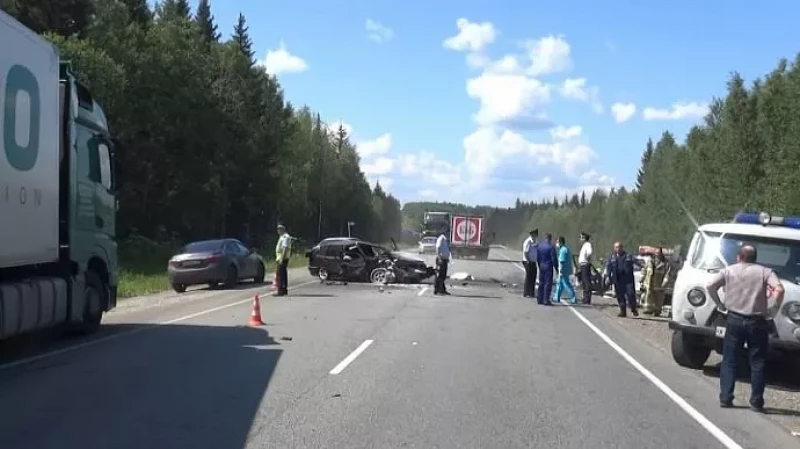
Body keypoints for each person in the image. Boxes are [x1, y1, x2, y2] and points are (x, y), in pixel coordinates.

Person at [706, 245, 784, 412]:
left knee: (729, 360)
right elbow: (779, 289)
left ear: (738, 257)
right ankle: (756, 401)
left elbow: (710, 285)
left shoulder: (729, 271)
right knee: (757, 361)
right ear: (755, 258)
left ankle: (726, 397)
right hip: (757, 321)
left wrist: (719, 304)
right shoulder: (765, 272)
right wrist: (773, 309)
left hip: (734, 319)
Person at [605, 241, 638, 317]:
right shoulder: (612, 257)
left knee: (631, 294)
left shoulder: (628, 256)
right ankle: (623, 311)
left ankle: (633, 308)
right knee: (620, 296)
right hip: (617, 279)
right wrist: (608, 277)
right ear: (614, 248)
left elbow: (637, 262)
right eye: (616, 247)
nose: (618, 249)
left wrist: (642, 266)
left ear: (622, 247)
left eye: (619, 247)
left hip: (628, 279)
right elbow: (608, 268)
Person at [641, 247, 670, 316]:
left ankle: (657, 311)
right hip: (649, 282)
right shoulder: (650, 261)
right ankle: (648, 309)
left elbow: (667, 273)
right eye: (656, 253)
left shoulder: (665, 263)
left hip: (659, 283)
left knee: (659, 298)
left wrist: (665, 282)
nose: (657, 254)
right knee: (648, 296)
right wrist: (642, 278)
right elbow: (644, 269)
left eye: (658, 253)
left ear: (661, 253)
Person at [553, 236, 577, 304]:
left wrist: (560, 271)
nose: (556, 244)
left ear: (560, 242)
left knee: (566, 284)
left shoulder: (563, 250)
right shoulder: (566, 249)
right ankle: (556, 297)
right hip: (566, 270)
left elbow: (561, 261)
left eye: (557, 242)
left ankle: (573, 297)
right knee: (560, 284)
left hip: (563, 270)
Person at [535, 233, 558, 306]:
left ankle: (539, 299)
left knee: (541, 283)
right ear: (550, 238)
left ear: (545, 238)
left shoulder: (540, 246)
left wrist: (539, 264)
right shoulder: (551, 247)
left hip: (542, 265)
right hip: (548, 266)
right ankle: (546, 300)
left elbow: (538, 257)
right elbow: (554, 259)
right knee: (547, 283)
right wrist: (557, 268)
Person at [274, 224, 291, 296]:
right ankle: (284, 290)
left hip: (282, 258)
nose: (278, 230)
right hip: (281, 258)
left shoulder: (285, 237)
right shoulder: (282, 237)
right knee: (283, 274)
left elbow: (285, 248)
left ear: (283, 229)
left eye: (279, 229)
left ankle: (280, 291)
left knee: (279, 275)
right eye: (278, 229)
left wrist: (281, 258)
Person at [522, 229, 539, 298]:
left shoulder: (534, 241)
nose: (536, 236)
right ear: (532, 234)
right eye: (535, 234)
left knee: (533, 277)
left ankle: (531, 292)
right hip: (528, 261)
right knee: (529, 277)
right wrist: (528, 260)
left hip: (533, 261)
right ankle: (526, 292)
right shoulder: (528, 241)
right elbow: (526, 252)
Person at [578, 232, 594, 304]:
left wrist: (587, 258)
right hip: (583, 264)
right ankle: (585, 298)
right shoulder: (584, 245)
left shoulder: (587, 244)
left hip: (585, 264)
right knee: (584, 282)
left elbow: (590, 252)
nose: (580, 239)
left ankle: (587, 299)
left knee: (586, 282)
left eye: (581, 237)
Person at [434, 228, 451, 295]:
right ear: (445, 232)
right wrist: (439, 258)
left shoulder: (445, 240)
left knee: (443, 276)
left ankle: (442, 289)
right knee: (439, 275)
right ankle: (437, 290)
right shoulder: (441, 239)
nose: (449, 234)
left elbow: (446, 250)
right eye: (448, 232)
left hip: (444, 259)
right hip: (440, 259)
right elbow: (437, 248)